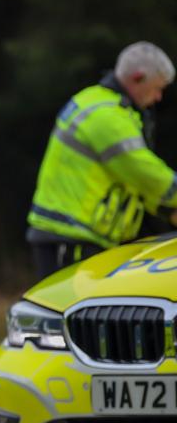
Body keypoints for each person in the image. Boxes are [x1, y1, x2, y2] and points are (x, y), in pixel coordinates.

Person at [27, 42, 177, 278]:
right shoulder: (107, 115)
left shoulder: (95, 101)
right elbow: (143, 172)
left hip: (72, 236)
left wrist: (165, 209)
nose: (158, 97)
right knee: (73, 312)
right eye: (157, 88)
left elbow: (129, 180)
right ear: (138, 78)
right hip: (71, 237)